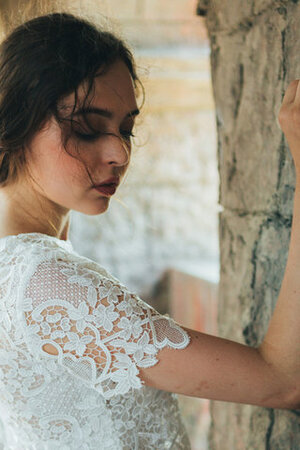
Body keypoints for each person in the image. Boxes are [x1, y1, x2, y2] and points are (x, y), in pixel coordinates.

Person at [0, 11, 298, 450]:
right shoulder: (43, 279)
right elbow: (282, 381)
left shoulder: (19, 264)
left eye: (126, 129)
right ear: (13, 123)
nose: (120, 152)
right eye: (86, 128)